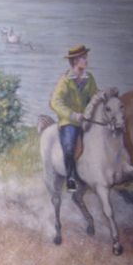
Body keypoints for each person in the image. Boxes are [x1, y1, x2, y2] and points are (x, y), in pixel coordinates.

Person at [50, 44, 98, 191]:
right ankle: (71, 178)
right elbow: (55, 102)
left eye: (86, 57)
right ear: (75, 61)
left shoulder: (89, 78)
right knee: (69, 148)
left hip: (86, 120)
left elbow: (94, 96)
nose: (86, 61)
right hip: (69, 122)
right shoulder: (65, 81)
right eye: (83, 58)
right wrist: (72, 115)